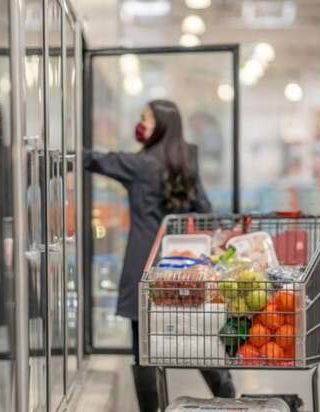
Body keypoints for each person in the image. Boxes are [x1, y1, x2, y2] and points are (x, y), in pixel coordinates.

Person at [85, 100, 235, 411]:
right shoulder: (187, 159)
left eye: (145, 119)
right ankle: (228, 402)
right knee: (198, 339)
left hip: (145, 264)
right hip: (184, 266)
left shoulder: (140, 165)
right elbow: (205, 211)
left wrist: (61, 154)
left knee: (144, 349)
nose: (140, 124)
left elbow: (99, 161)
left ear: (161, 126)